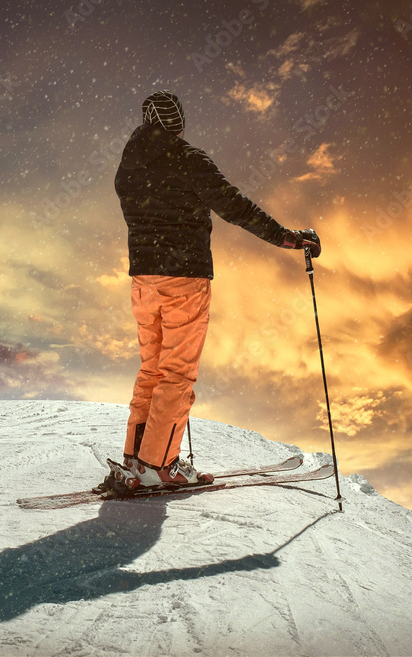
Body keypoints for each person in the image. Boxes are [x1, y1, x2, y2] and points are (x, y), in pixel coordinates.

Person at [99, 90, 321, 495]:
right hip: (184, 279)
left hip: (143, 281)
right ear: (178, 122)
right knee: (177, 373)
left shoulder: (128, 166)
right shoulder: (188, 160)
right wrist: (288, 239)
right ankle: (158, 465)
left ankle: (136, 459)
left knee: (152, 369)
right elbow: (235, 206)